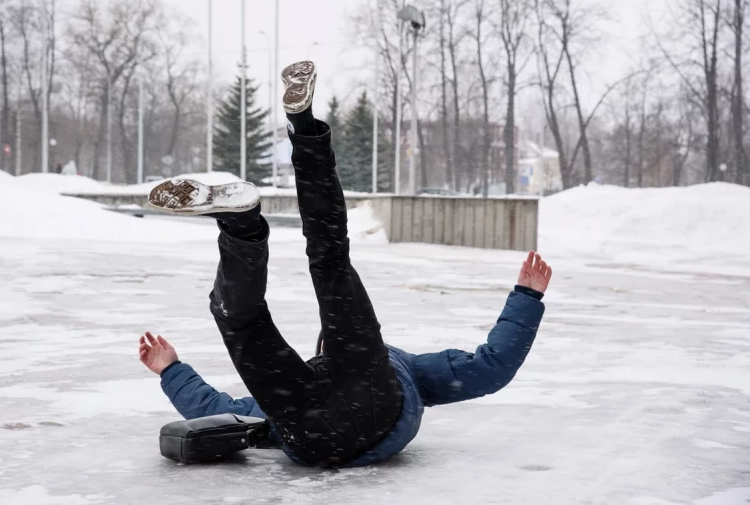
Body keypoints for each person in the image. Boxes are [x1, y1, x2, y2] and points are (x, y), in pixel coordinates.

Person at [139, 60, 552, 468]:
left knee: (258, 306)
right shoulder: (406, 367)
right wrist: (527, 297)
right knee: (308, 274)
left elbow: (216, 407)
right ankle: (273, 175)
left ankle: (247, 221)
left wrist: (171, 370)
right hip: (361, 413)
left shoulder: (361, 363)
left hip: (310, 431)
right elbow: (491, 367)